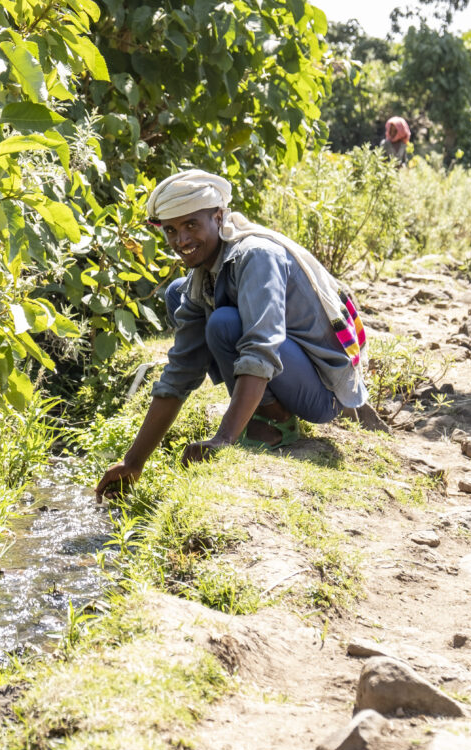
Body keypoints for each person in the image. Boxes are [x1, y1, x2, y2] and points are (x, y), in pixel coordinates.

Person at [95, 170, 369, 501]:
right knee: (179, 294)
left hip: (321, 392)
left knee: (223, 323)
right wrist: (132, 461)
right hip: (291, 370)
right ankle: (256, 412)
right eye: (171, 230)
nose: (181, 240)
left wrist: (223, 438)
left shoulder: (255, 255)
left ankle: (275, 423)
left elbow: (260, 348)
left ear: (218, 217)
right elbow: (181, 370)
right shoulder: (204, 271)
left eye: (191, 226)